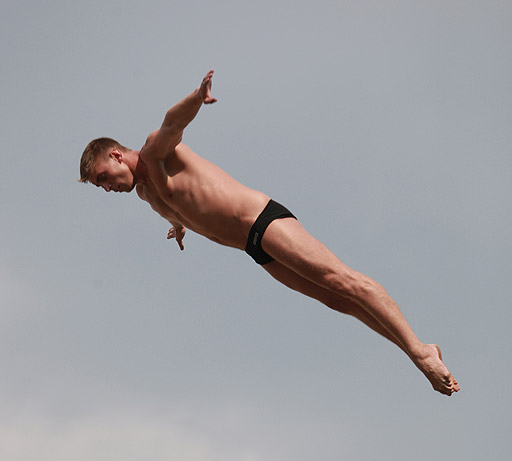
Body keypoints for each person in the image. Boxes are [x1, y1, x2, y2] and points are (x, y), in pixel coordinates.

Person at [79, 70, 459, 396]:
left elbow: (172, 123)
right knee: (336, 301)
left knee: (343, 280)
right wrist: (178, 226)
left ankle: (421, 352)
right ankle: (416, 351)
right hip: (252, 246)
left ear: (114, 156)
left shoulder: (153, 153)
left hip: (261, 220)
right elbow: (179, 206)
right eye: (99, 186)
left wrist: (197, 96)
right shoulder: (145, 192)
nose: (106, 187)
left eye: (102, 178)